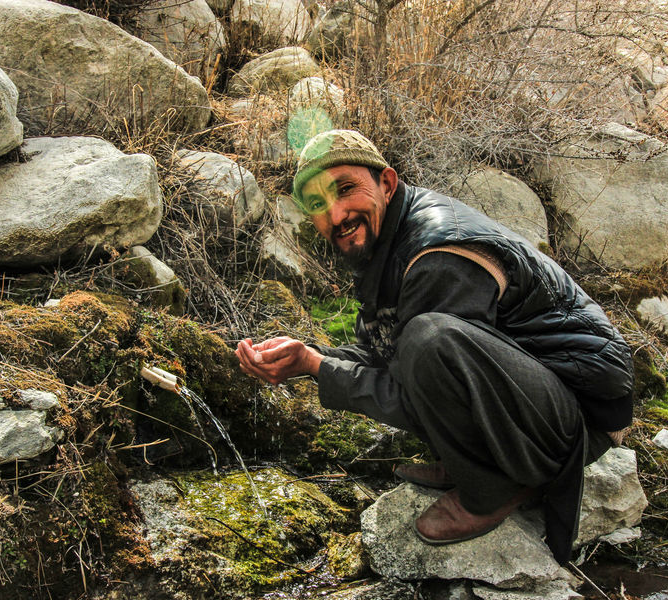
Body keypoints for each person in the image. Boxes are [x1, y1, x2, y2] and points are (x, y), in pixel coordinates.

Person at [235, 129, 633, 563]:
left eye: (345, 189)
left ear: (386, 183)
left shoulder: (436, 253)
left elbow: (418, 384)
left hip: (580, 417)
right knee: (420, 343)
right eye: (317, 205)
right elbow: (386, 355)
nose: (336, 214)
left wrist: (318, 368)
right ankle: (477, 457)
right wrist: (307, 356)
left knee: (430, 340)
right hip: (535, 394)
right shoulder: (389, 239)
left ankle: (491, 489)